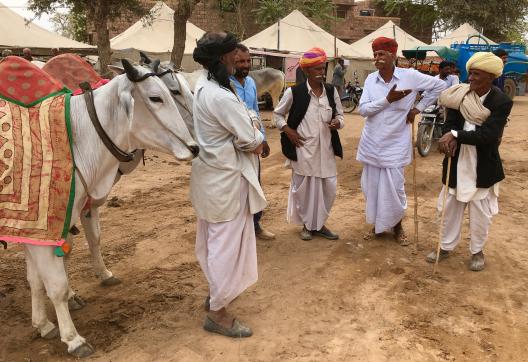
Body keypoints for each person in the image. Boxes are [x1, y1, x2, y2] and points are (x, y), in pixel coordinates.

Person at [191, 32, 266, 338]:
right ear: (222, 58)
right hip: (226, 182)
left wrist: (250, 123)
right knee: (224, 247)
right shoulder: (219, 95)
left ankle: (216, 295)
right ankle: (218, 314)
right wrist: (257, 134)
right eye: (234, 54)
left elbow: (245, 121)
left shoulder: (204, 85)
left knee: (214, 243)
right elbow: (251, 139)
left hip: (211, 179)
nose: (239, 58)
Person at [426, 52, 512, 271]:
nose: (470, 78)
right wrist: (448, 136)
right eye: (470, 73)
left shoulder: (501, 101)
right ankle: (445, 246)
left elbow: (490, 136)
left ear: (491, 76)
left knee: (480, 213)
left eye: (476, 74)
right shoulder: (460, 94)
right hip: (457, 160)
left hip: (483, 163)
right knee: (450, 208)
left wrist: (456, 136)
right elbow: (449, 123)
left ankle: (477, 251)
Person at [357, 37, 446, 245]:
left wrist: (418, 108)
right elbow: (363, 110)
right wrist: (388, 99)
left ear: (393, 56)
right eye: (375, 54)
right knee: (372, 188)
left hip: (396, 143)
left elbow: (439, 85)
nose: (377, 58)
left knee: (395, 188)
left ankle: (397, 227)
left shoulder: (410, 76)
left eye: (382, 54)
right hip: (371, 143)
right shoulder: (371, 80)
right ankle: (378, 226)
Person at [274, 47, 344, 241]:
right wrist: (288, 131)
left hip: (327, 151)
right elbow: (277, 115)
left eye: (323, 69)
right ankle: (308, 225)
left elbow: (340, 115)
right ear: (306, 71)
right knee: (304, 191)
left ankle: (319, 224)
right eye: (317, 70)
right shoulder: (294, 92)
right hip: (304, 150)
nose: (322, 73)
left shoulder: (331, 91)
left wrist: (337, 123)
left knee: (328, 188)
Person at [230, 44, 275, 240]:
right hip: (235, 146)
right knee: (237, 189)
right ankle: (237, 230)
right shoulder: (226, 85)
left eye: (247, 61)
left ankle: (256, 225)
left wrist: (263, 139)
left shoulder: (250, 83)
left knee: (255, 185)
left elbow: (255, 112)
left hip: (254, 144)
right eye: (240, 61)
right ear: (231, 61)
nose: (245, 65)